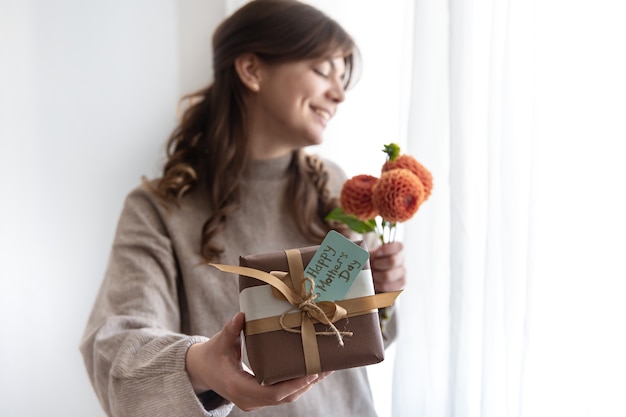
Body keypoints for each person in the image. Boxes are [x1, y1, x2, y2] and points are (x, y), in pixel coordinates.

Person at [80, 1, 406, 416]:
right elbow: (115, 352)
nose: (339, 94)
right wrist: (203, 366)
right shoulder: (158, 210)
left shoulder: (340, 190)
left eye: (343, 79)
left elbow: (374, 336)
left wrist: (381, 294)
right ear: (251, 70)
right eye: (323, 71)